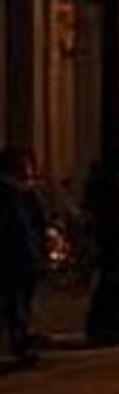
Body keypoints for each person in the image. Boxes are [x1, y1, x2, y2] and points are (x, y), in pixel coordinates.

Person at [1, 148, 49, 364]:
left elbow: (38, 222)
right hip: (13, 255)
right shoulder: (8, 194)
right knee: (14, 301)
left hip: (26, 255)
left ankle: (22, 337)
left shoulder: (26, 194)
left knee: (22, 300)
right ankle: (18, 340)